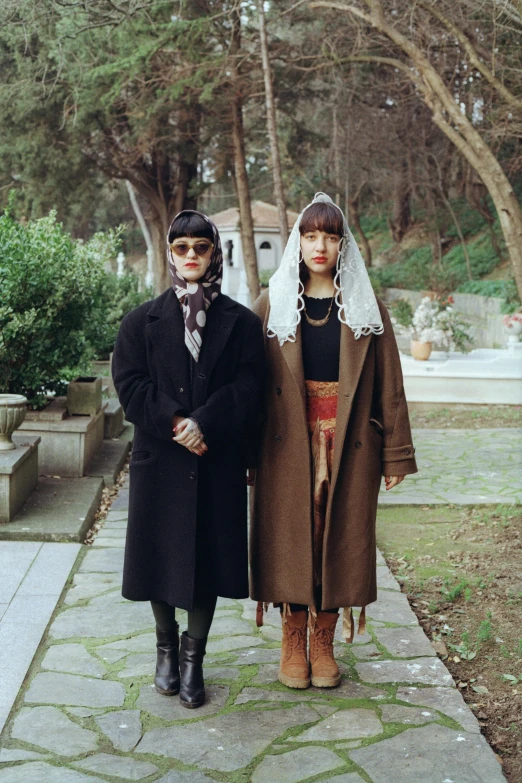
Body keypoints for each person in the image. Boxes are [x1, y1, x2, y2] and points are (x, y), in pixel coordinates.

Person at [250, 192, 417, 689]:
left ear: (342, 244)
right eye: (309, 235)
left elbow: (391, 386)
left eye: (329, 236)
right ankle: (291, 637)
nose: (319, 245)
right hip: (285, 446)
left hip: (348, 446)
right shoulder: (272, 304)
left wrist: (395, 456)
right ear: (297, 241)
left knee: (337, 539)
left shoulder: (366, 309)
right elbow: (246, 384)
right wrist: (243, 451)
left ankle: (323, 640)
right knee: (291, 539)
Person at [112, 210, 264, 709]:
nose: (193, 255)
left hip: (215, 458)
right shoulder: (141, 321)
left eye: (201, 247)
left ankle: (194, 658)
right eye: (183, 248)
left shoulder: (240, 323)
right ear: (171, 253)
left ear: (214, 253)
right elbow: (130, 384)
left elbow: (250, 386)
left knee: (208, 559)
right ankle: (165, 649)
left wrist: (207, 422)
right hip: (162, 457)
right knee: (160, 554)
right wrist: (177, 421)